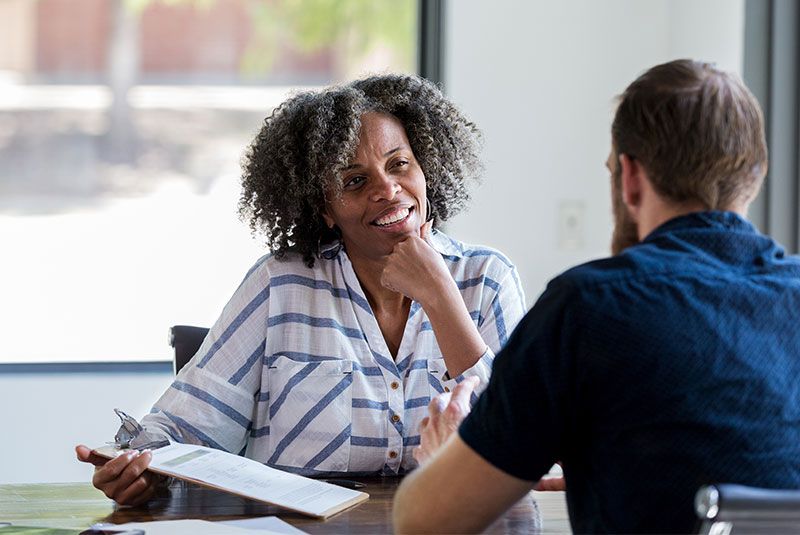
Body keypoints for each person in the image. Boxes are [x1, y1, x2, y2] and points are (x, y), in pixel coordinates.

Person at [75, 74, 526, 506]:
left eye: (399, 164)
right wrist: (140, 468)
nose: (387, 189)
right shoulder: (280, 284)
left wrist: (441, 297)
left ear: (425, 167)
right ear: (325, 209)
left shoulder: (486, 280)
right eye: (354, 180)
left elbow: (520, 440)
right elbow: (186, 426)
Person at [393, 59, 800, 534]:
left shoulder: (587, 309)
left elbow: (422, 521)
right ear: (755, 175)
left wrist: (448, 458)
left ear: (629, 177)